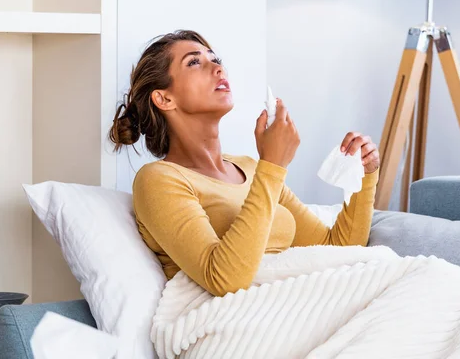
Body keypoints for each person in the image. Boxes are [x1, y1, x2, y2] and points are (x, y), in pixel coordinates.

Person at [109, 30, 380, 297]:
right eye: (194, 62)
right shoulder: (159, 179)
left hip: (297, 299)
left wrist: (365, 175)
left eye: (215, 59)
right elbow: (223, 279)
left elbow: (338, 249)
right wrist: (273, 166)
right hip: (237, 320)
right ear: (164, 99)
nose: (216, 67)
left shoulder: (250, 168)